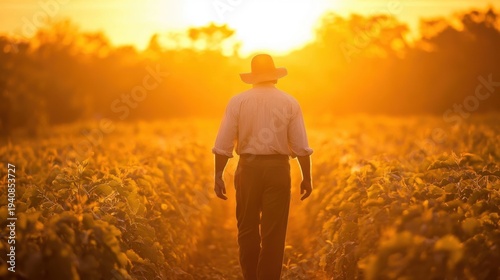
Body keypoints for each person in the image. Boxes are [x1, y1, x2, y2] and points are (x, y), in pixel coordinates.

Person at [212, 54, 313, 280]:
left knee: (247, 228)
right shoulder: (290, 102)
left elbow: (223, 144)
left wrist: (218, 175)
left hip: (248, 169)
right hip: (278, 170)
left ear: (252, 78)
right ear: (275, 76)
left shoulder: (238, 101)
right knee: (274, 234)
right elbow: (300, 146)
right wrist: (307, 177)